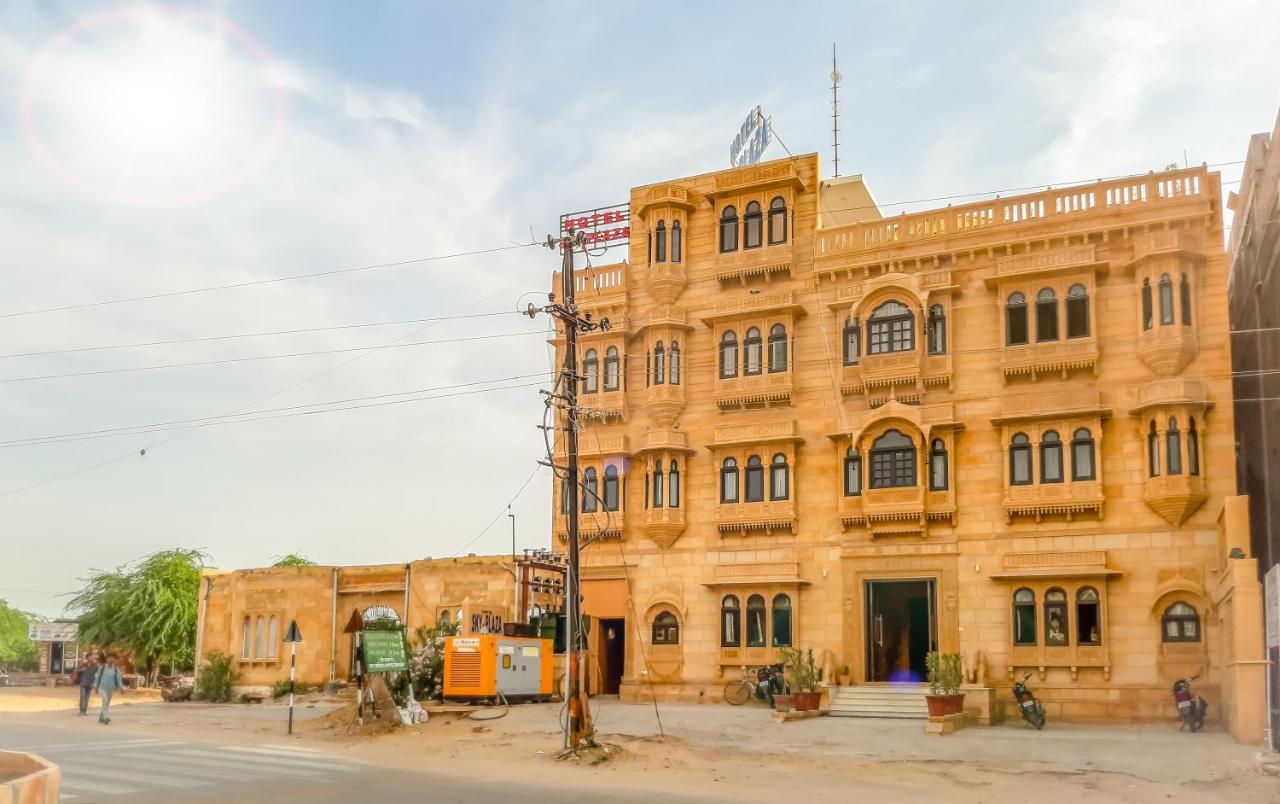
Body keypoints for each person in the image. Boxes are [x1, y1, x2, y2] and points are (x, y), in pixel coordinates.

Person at [94, 654, 124, 725]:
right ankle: (106, 717)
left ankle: (101, 718)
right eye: (109, 658)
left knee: (106, 703)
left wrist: (121, 688)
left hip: (110, 689)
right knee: (104, 701)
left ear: (114, 660)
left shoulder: (116, 669)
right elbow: (98, 677)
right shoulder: (102, 667)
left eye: (112, 658)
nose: (110, 660)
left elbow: (118, 679)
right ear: (106, 659)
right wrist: (96, 687)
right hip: (102, 687)